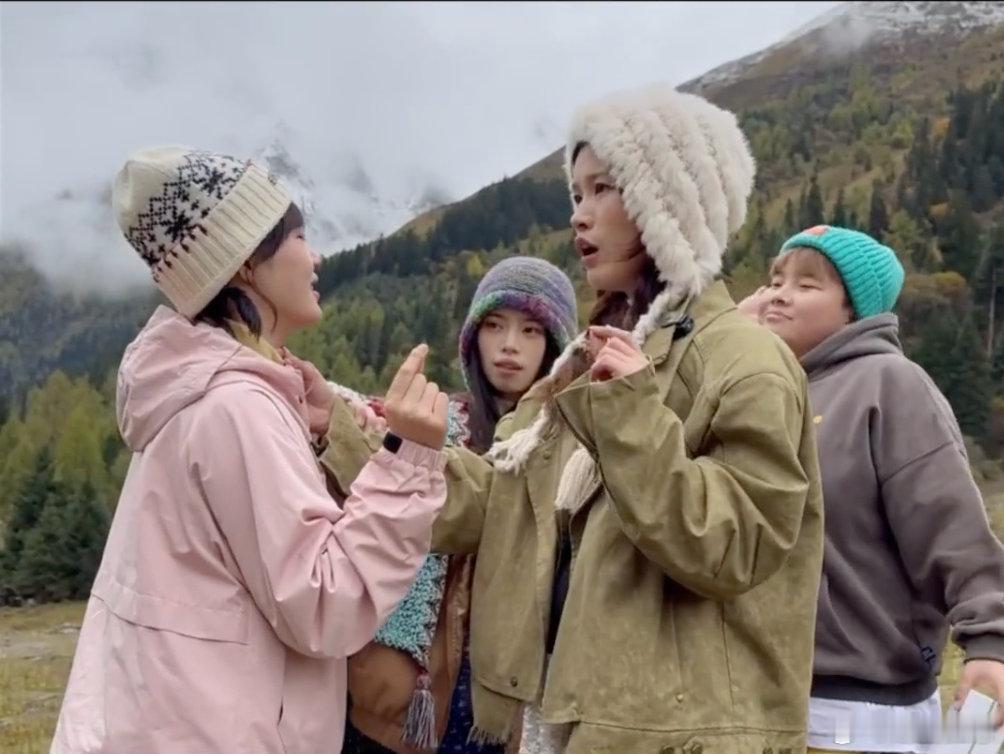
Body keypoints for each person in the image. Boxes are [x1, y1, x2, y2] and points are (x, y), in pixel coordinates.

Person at [327, 84, 825, 753]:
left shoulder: (747, 361)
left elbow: (737, 547)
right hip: (570, 721)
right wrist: (344, 432)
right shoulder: (590, 364)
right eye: (575, 193)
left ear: (668, 202)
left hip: (683, 737)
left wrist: (630, 417)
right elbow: (500, 503)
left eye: (602, 190)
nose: (578, 216)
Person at [50, 146, 449, 754]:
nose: (315, 257)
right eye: (299, 237)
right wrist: (407, 459)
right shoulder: (238, 407)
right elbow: (325, 604)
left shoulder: (191, 391)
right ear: (243, 262)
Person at [740, 225, 1004, 754]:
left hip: (861, 709)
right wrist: (726, 335)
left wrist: (990, 642)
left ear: (854, 311)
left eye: (807, 284)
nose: (779, 295)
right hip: (757, 698)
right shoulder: (757, 390)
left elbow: (949, 522)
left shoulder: (889, 383)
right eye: (774, 280)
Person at [342, 256, 578, 754]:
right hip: (403, 691)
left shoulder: (569, 453)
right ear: (473, 339)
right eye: (494, 326)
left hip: (497, 700)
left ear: (556, 348)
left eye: (531, 330)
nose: (509, 345)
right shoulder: (431, 425)